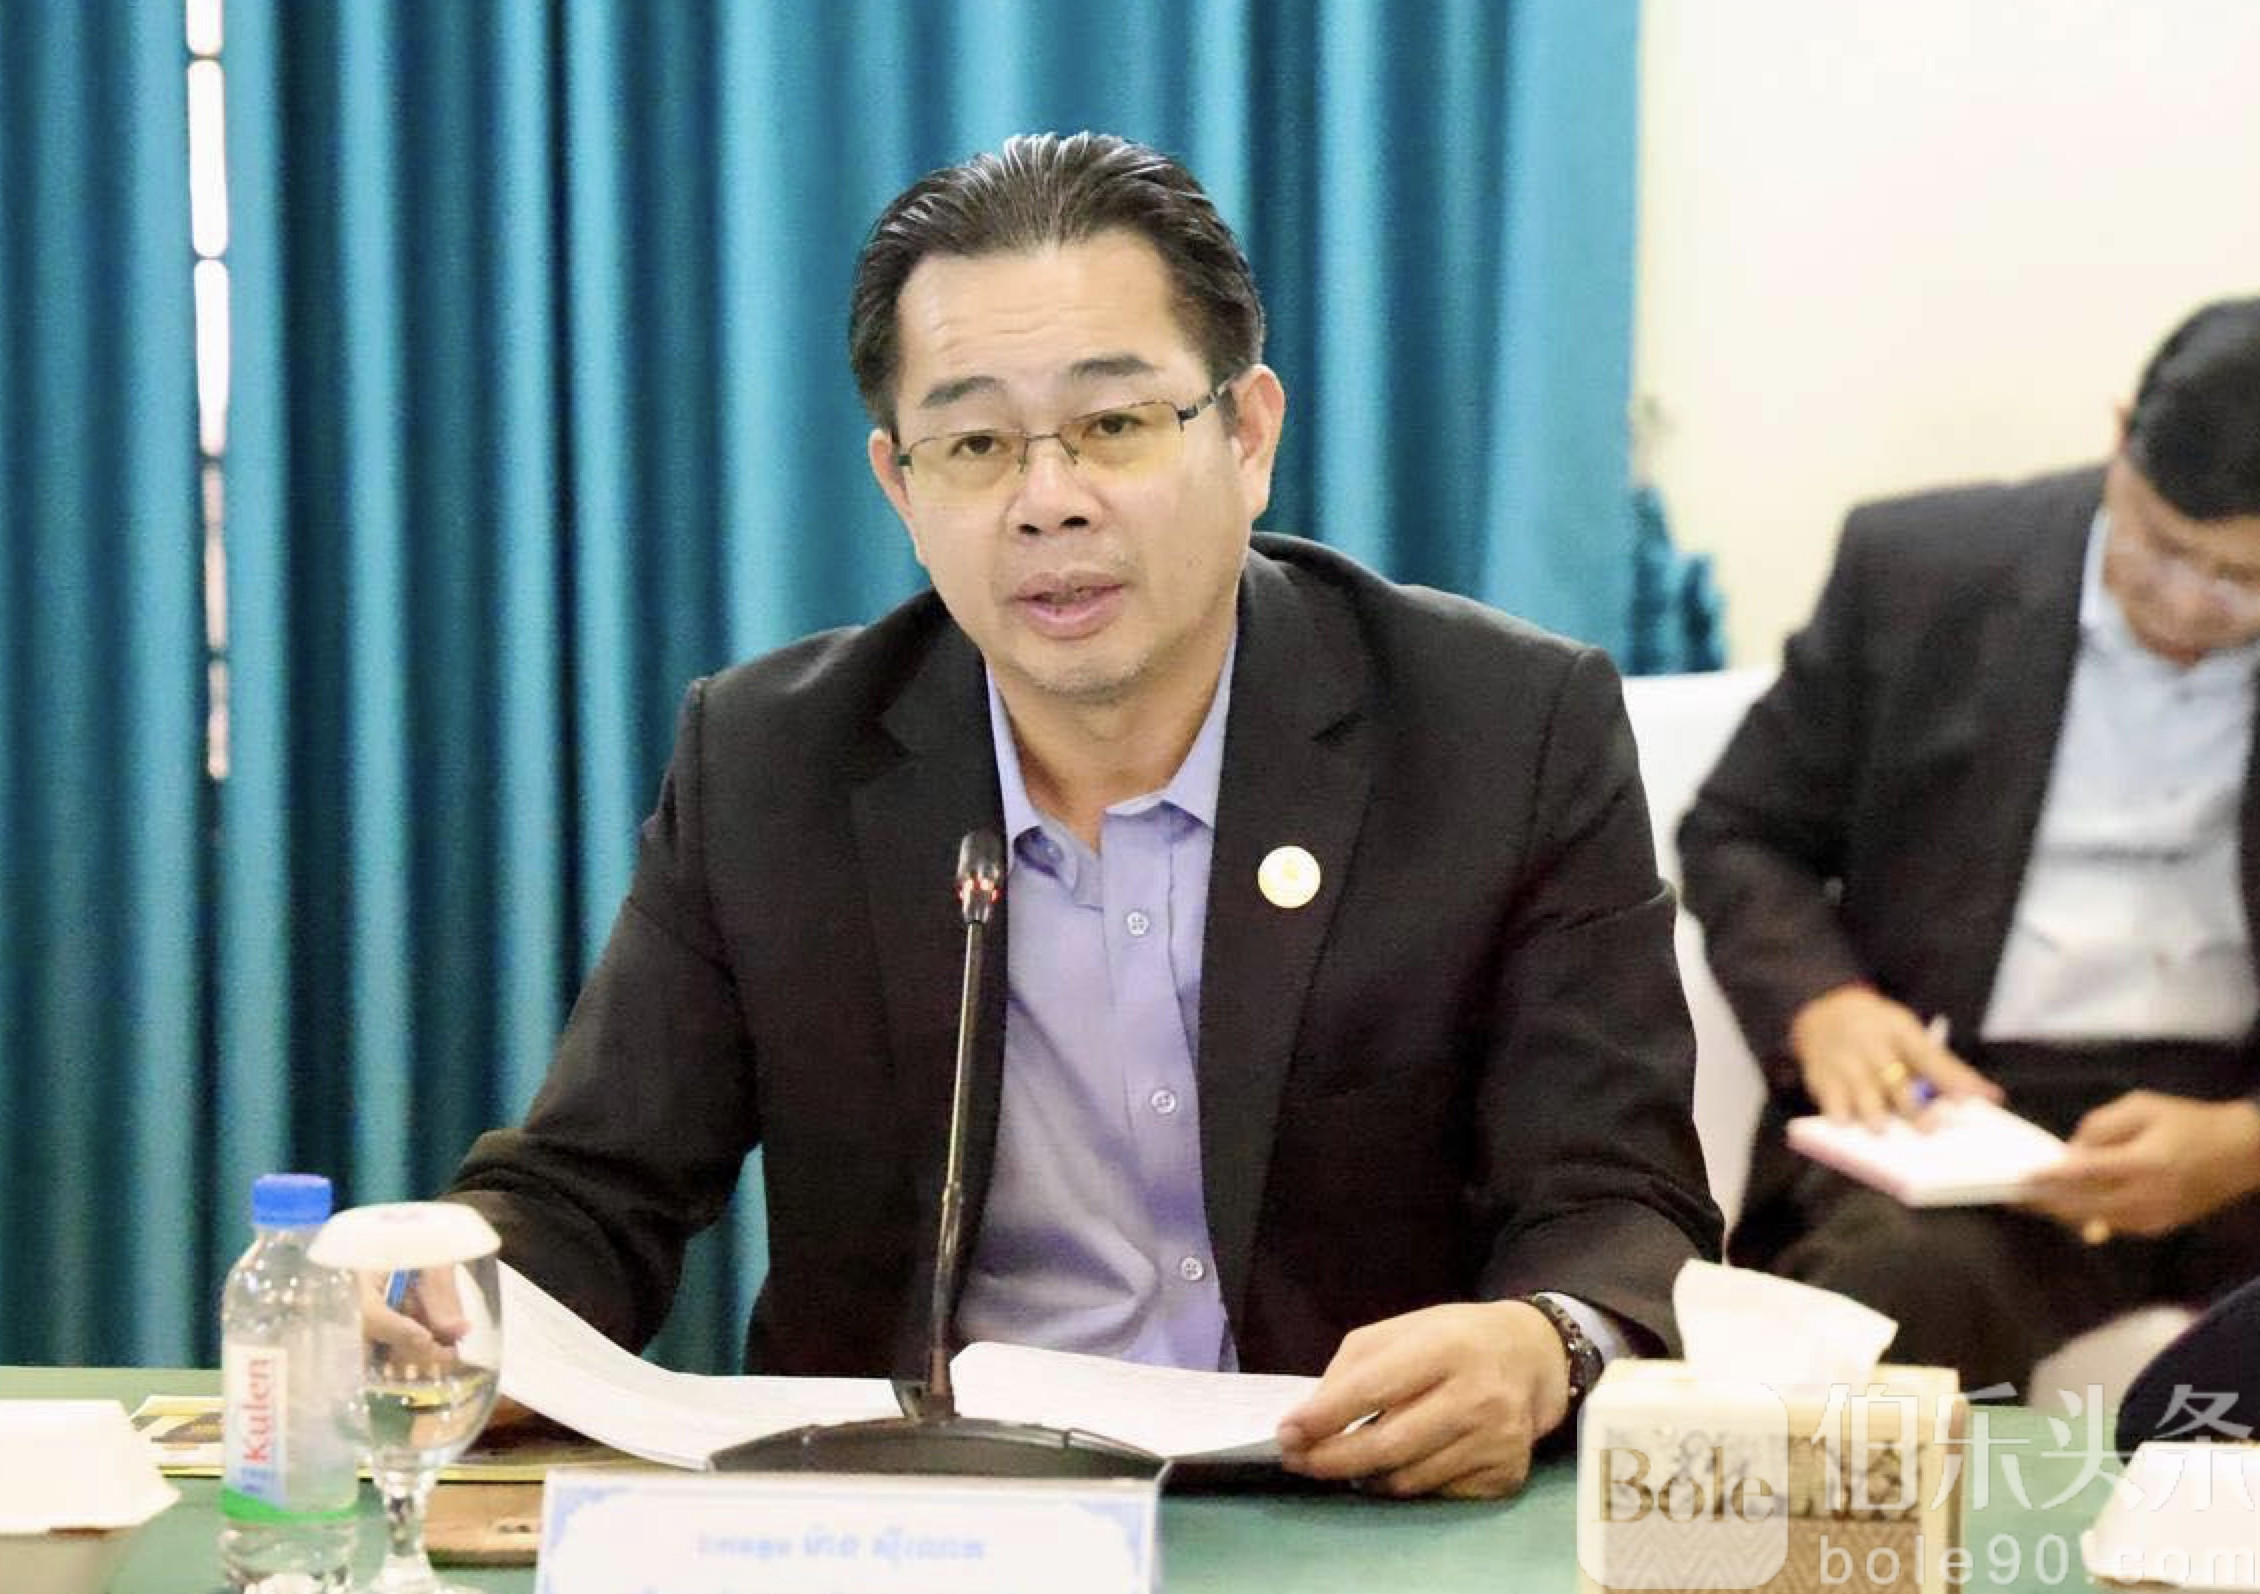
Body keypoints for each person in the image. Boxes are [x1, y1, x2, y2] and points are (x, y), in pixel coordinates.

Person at [448, 131, 1718, 1498]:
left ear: (1247, 434)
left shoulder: (1502, 732)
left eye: (1114, 425)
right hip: (919, 1526)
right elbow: (593, 1192)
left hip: (1357, 1506)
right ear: (901, 486)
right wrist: (445, 1302)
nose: (1047, 503)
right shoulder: (773, 763)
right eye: (975, 443)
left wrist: (1542, 1343)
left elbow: (1615, 1200)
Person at [1679, 297, 2260, 1393]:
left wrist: (2245, 1143)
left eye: (2242, 579)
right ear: (2118, 439)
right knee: (1895, 1294)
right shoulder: (1923, 573)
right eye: (2161, 546)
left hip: (2236, 1108)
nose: (2188, 606)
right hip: (1965, 1100)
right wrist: (1826, 1005)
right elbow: (1741, 829)